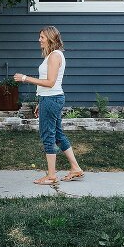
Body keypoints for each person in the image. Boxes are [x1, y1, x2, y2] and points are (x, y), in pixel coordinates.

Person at [14, 26, 84, 185]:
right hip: (50, 99)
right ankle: (75, 168)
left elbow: (50, 82)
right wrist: (41, 101)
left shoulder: (54, 56)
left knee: (48, 135)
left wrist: (25, 78)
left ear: (51, 39)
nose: (39, 40)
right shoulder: (53, 55)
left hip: (52, 98)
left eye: (42, 37)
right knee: (58, 135)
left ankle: (51, 176)